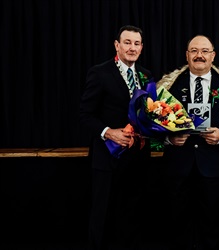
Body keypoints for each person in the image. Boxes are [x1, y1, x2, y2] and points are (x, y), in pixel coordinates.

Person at [156, 35, 219, 250]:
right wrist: (169, 138)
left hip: (213, 165)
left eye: (205, 51)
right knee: (177, 222)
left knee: (212, 222)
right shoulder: (169, 86)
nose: (200, 55)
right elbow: (153, 123)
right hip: (178, 165)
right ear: (187, 55)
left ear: (213, 55)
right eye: (194, 51)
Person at [79, 25, 154, 250]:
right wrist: (108, 132)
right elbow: (85, 115)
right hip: (107, 158)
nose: (132, 48)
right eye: (128, 43)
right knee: (103, 213)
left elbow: (149, 113)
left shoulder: (146, 75)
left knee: (132, 213)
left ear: (141, 47)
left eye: (137, 43)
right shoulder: (100, 72)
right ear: (117, 45)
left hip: (138, 157)